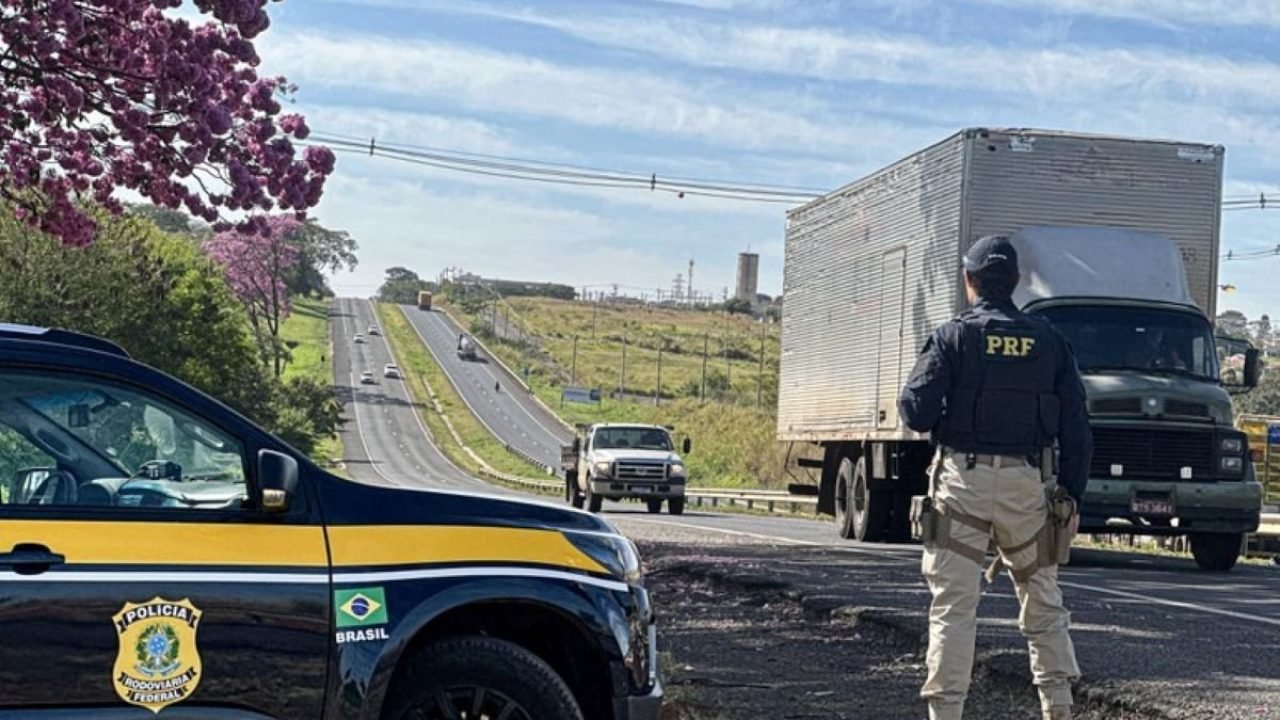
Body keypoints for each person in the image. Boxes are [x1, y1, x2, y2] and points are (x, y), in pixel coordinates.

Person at [899, 235, 1092, 720]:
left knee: (953, 608)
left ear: (970, 282)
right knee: (1043, 601)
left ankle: (946, 713)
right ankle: (1059, 709)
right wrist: (1071, 495)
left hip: (961, 485)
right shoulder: (1050, 341)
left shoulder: (953, 336)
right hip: (1029, 488)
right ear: (1018, 282)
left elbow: (916, 413)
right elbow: (1077, 425)